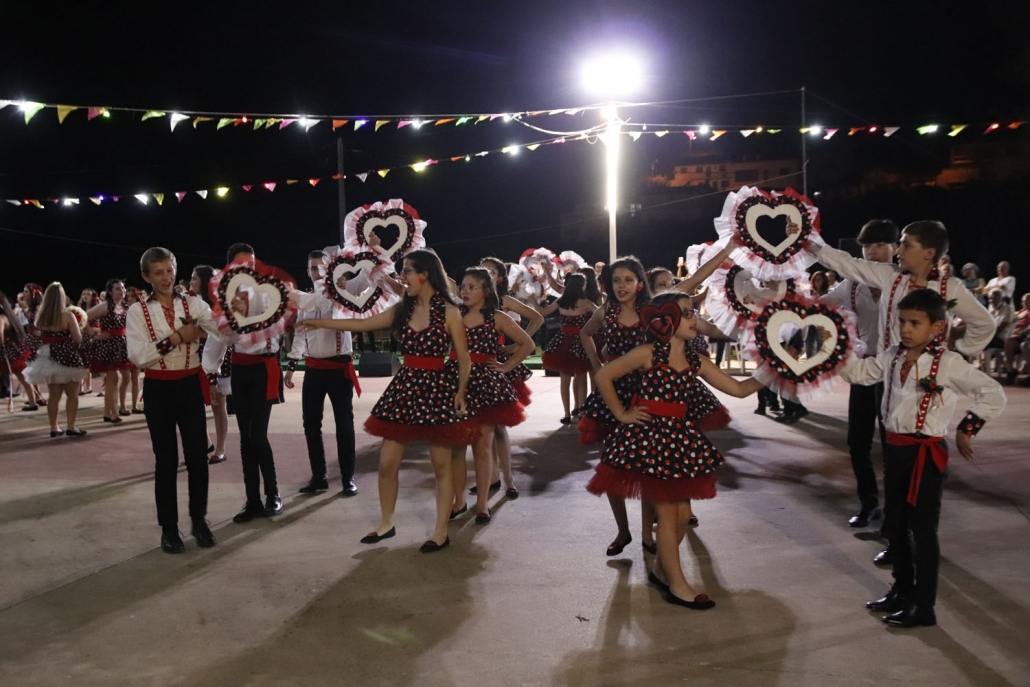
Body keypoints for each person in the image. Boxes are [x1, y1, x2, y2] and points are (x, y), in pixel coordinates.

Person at [586, 292, 765, 609]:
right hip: (649, 441)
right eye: (687, 313)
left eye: (693, 312)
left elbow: (738, 389)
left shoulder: (696, 360)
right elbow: (603, 375)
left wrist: (773, 372)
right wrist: (622, 413)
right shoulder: (648, 353)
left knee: (682, 515)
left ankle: (660, 569)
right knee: (669, 513)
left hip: (679, 439)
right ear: (667, 320)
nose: (695, 319)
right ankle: (678, 584)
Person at [839, 289, 1005, 627]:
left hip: (926, 456)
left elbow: (992, 392)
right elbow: (861, 373)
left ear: (937, 328)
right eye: (901, 321)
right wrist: (833, 353)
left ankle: (924, 605)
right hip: (896, 451)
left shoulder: (948, 363)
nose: (906, 329)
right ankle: (901, 590)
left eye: (915, 323)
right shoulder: (893, 356)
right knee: (896, 525)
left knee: (923, 530)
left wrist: (966, 428)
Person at [301, 249, 477, 553]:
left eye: (408, 271)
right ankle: (386, 523)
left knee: (440, 464)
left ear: (425, 274)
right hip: (406, 386)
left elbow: (464, 359)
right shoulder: (402, 309)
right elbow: (363, 324)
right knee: (387, 464)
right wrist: (322, 324)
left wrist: (461, 392)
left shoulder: (449, 311)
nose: (402, 277)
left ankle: (440, 531)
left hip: (437, 388)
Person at [128, 247, 223, 553]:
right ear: (146, 277)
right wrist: (178, 337)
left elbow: (222, 333)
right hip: (158, 389)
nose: (166, 277)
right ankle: (169, 528)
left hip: (189, 386)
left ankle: (199, 519)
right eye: (158, 272)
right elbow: (139, 356)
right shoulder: (137, 311)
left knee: (197, 456)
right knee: (166, 460)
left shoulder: (194, 302)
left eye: (169, 270)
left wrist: (233, 314)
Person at [798, 220, 995, 359]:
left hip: (927, 377)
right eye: (867, 246)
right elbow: (849, 264)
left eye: (905, 246)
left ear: (929, 253)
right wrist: (809, 244)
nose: (899, 251)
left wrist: (960, 347)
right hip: (882, 368)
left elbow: (984, 323)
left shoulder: (949, 287)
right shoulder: (889, 276)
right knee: (879, 417)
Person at [821, 219, 896, 528]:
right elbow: (820, 304)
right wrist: (775, 301)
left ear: (895, 248)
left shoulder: (904, 280)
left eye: (880, 245)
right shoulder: (852, 283)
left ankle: (896, 513)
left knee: (895, 445)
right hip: (865, 369)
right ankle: (869, 504)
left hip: (897, 372)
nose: (873, 252)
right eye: (866, 246)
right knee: (857, 441)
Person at [203, 243, 286, 523]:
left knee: (257, 436)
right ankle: (252, 500)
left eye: (251, 263)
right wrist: (211, 375)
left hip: (265, 369)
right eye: (242, 264)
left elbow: (289, 305)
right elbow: (218, 339)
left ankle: (273, 495)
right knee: (245, 439)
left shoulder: (268, 292)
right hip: (240, 370)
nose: (248, 269)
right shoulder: (225, 301)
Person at [449, 267, 534, 522]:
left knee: (483, 447)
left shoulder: (496, 317)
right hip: (454, 380)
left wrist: (506, 365)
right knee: (456, 446)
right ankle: (459, 500)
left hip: (485, 384)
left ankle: (483, 504)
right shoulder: (454, 315)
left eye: (471, 287)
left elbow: (527, 344)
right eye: (463, 286)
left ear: (486, 290)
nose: (464, 291)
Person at [285, 249, 360, 498]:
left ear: (329, 269)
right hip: (314, 369)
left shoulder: (340, 295)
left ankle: (348, 477)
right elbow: (300, 333)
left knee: (344, 424)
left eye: (320, 267)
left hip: (339, 368)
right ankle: (319, 477)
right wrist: (292, 365)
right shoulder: (305, 299)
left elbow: (362, 284)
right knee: (310, 425)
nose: (316, 271)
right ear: (307, 270)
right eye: (312, 268)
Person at [475, 256, 544, 498]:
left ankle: (508, 480)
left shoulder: (503, 301)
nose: (486, 273)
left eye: (491, 271)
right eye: (483, 270)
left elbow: (537, 318)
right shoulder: (472, 303)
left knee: (500, 426)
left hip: (500, 365)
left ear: (500, 277)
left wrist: (515, 346)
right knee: (484, 429)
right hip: (480, 368)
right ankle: (491, 477)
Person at [23, 283, 89, 436]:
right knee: (72, 395)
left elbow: (38, 335)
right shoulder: (67, 315)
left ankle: (54, 427)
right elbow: (77, 338)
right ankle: (71, 427)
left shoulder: (42, 316)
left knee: (54, 396)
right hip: (68, 357)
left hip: (49, 356)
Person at [540, 273, 596, 423]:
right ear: (581, 286)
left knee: (564, 380)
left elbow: (543, 312)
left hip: (562, 341)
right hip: (580, 341)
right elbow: (600, 315)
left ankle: (566, 414)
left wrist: (533, 300)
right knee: (581, 377)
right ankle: (582, 411)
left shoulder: (561, 301)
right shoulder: (585, 303)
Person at [190, 265, 230, 464]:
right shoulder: (191, 303)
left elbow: (221, 334)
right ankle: (205, 443)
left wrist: (196, 332)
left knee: (217, 403)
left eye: (194, 279)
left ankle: (220, 449)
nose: (191, 283)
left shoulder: (218, 304)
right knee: (192, 404)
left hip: (216, 358)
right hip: (193, 358)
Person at [85, 278, 135, 423]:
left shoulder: (124, 306)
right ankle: (113, 412)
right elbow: (83, 317)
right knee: (114, 379)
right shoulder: (106, 305)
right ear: (110, 291)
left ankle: (108, 412)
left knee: (116, 379)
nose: (122, 291)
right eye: (118, 288)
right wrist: (94, 333)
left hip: (121, 345)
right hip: (109, 347)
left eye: (123, 288)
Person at [1004, 293, 1030, 378]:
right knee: (1009, 342)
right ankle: (1010, 369)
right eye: (1024, 302)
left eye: (1028, 301)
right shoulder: (1021, 311)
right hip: (1016, 336)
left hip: (1025, 335)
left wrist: (1024, 331)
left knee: (1023, 344)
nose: (1026, 303)